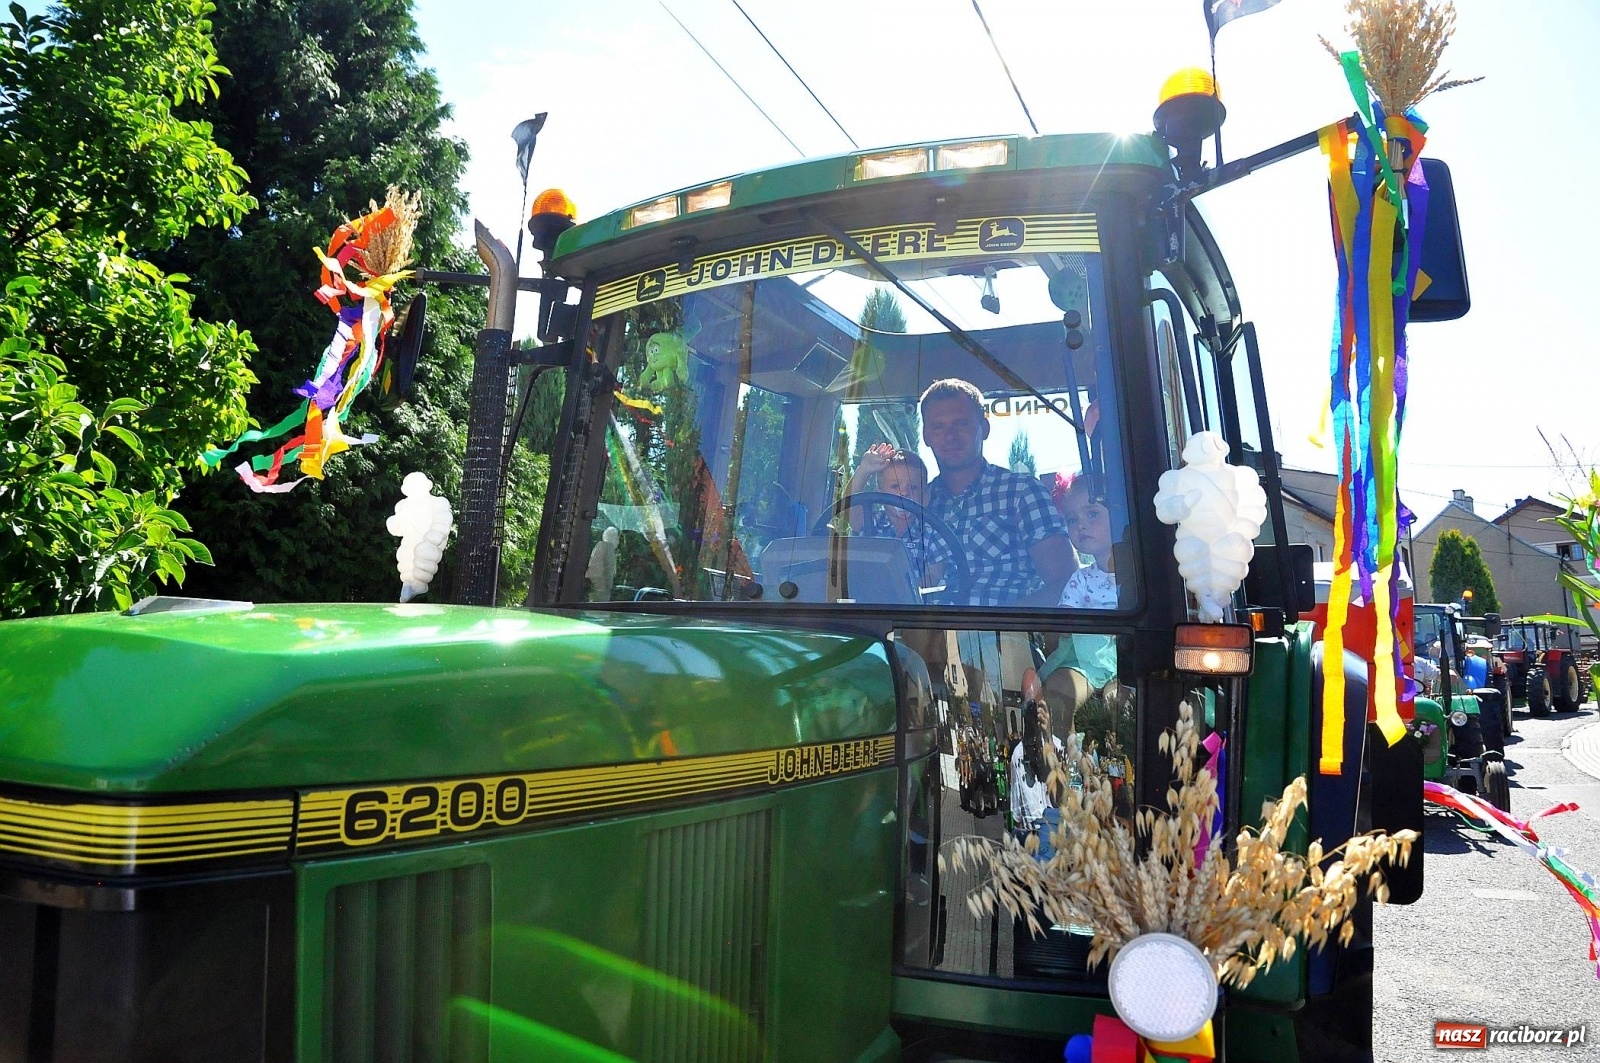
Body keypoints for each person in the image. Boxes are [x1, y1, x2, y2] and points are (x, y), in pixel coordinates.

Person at [918, 379, 1075, 606]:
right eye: (939, 427)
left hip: (1006, 634)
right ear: (926, 436)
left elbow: (1065, 584)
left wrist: (999, 625)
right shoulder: (918, 505)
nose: (950, 435)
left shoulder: (1022, 492)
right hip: (923, 634)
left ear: (984, 428)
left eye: (961, 424)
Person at [844, 442, 949, 586]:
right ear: (879, 495)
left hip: (911, 604)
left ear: (925, 498)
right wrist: (864, 470)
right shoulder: (872, 522)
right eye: (895, 486)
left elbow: (934, 574)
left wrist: (906, 594)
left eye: (913, 487)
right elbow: (849, 507)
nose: (904, 493)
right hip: (867, 601)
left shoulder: (932, 532)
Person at [1053, 472, 1119, 610]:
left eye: (1092, 514)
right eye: (1072, 520)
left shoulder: (1144, 573)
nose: (1080, 525)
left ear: (1119, 513)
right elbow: (1064, 626)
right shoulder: (1079, 580)